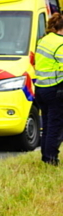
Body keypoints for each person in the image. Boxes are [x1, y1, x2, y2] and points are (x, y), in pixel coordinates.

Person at [33, 11, 63, 165]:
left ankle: (46, 157)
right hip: (55, 89)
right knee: (55, 127)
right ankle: (51, 159)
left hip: (41, 88)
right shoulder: (60, 43)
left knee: (48, 125)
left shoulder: (44, 40)